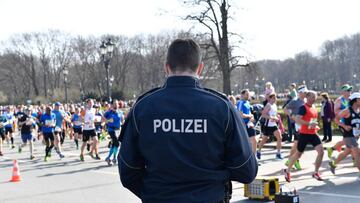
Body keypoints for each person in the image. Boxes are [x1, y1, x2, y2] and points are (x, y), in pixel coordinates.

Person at [119, 39, 257, 202]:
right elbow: (246, 170)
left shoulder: (143, 107)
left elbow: (128, 169)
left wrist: (154, 193)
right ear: (200, 68)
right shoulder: (221, 108)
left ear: (166, 67)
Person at [283, 91, 324, 182]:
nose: (314, 99)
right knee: (298, 154)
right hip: (304, 134)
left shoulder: (313, 107)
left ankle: (316, 172)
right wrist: (309, 123)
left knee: (321, 151)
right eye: (312, 97)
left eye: (315, 97)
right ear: (307, 97)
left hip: (313, 134)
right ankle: (287, 170)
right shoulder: (303, 107)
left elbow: (312, 121)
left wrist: (314, 126)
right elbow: (297, 120)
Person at [329, 92, 360, 180]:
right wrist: (344, 126)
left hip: (356, 136)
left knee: (347, 152)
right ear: (355, 100)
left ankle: (333, 163)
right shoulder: (347, 110)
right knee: (357, 154)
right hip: (348, 135)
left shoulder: (359, 110)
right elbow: (336, 119)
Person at [283, 85, 308, 170]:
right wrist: (291, 115)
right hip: (296, 125)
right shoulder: (295, 101)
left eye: (306, 92)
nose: (306, 93)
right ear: (300, 93)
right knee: (298, 143)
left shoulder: (305, 101)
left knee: (299, 144)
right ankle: (293, 160)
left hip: (304, 124)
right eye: (304, 92)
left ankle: (291, 160)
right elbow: (285, 109)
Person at [327, 84, 352, 158]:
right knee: (349, 141)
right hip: (343, 123)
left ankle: (334, 149)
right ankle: (332, 149)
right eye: (348, 90)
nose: (350, 91)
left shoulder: (351, 99)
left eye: (350, 90)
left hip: (352, 123)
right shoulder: (339, 100)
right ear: (343, 92)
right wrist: (346, 112)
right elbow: (336, 112)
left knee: (349, 140)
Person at [257, 93, 283, 160]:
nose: (275, 99)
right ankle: (258, 151)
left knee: (279, 137)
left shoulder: (274, 105)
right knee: (265, 139)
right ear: (270, 98)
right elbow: (263, 114)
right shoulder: (268, 105)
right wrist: (271, 118)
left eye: (275, 98)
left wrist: (277, 118)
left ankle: (278, 154)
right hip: (267, 125)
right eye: (273, 98)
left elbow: (275, 114)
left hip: (273, 125)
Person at [103, 100, 124, 166]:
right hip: (111, 130)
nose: (116, 105)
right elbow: (102, 118)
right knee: (117, 144)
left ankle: (109, 158)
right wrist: (108, 121)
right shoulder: (109, 112)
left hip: (118, 130)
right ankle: (114, 158)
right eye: (114, 104)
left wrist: (122, 121)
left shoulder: (120, 112)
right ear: (112, 105)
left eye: (117, 104)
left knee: (114, 144)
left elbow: (122, 120)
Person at [238, 89, 257, 154]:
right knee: (244, 143)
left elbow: (250, 113)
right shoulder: (240, 103)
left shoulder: (248, 103)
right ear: (242, 95)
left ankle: (254, 159)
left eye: (248, 94)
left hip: (249, 125)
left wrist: (252, 118)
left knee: (254, 141)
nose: (248, 96)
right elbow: (240, 114)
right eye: (247, 94)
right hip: (242, 125)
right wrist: (249, 116)